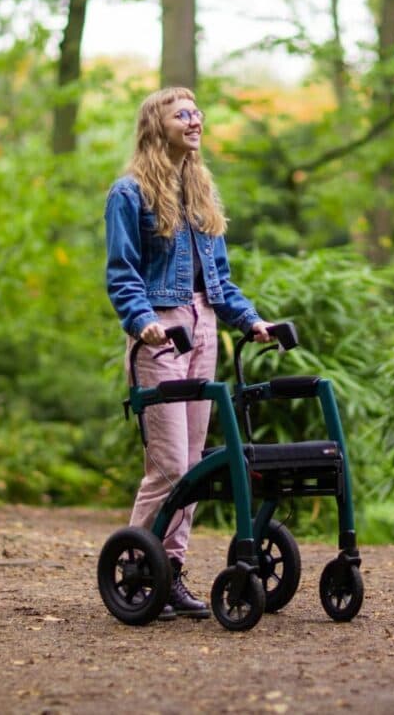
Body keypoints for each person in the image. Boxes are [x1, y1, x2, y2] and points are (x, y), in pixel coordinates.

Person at [105, 86, 273, 620]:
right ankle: (138, 569)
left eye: (197, 112)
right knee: (170, 464)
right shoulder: (129, 193)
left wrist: (250, 319)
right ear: (158, 125)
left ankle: (169, 573)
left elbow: (219, 282)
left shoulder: (199, 190)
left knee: (194, 466)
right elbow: (122, 273)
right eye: (183, 113)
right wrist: (144, 322)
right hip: (161, 329)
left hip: (201, 329)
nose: (195, 119)